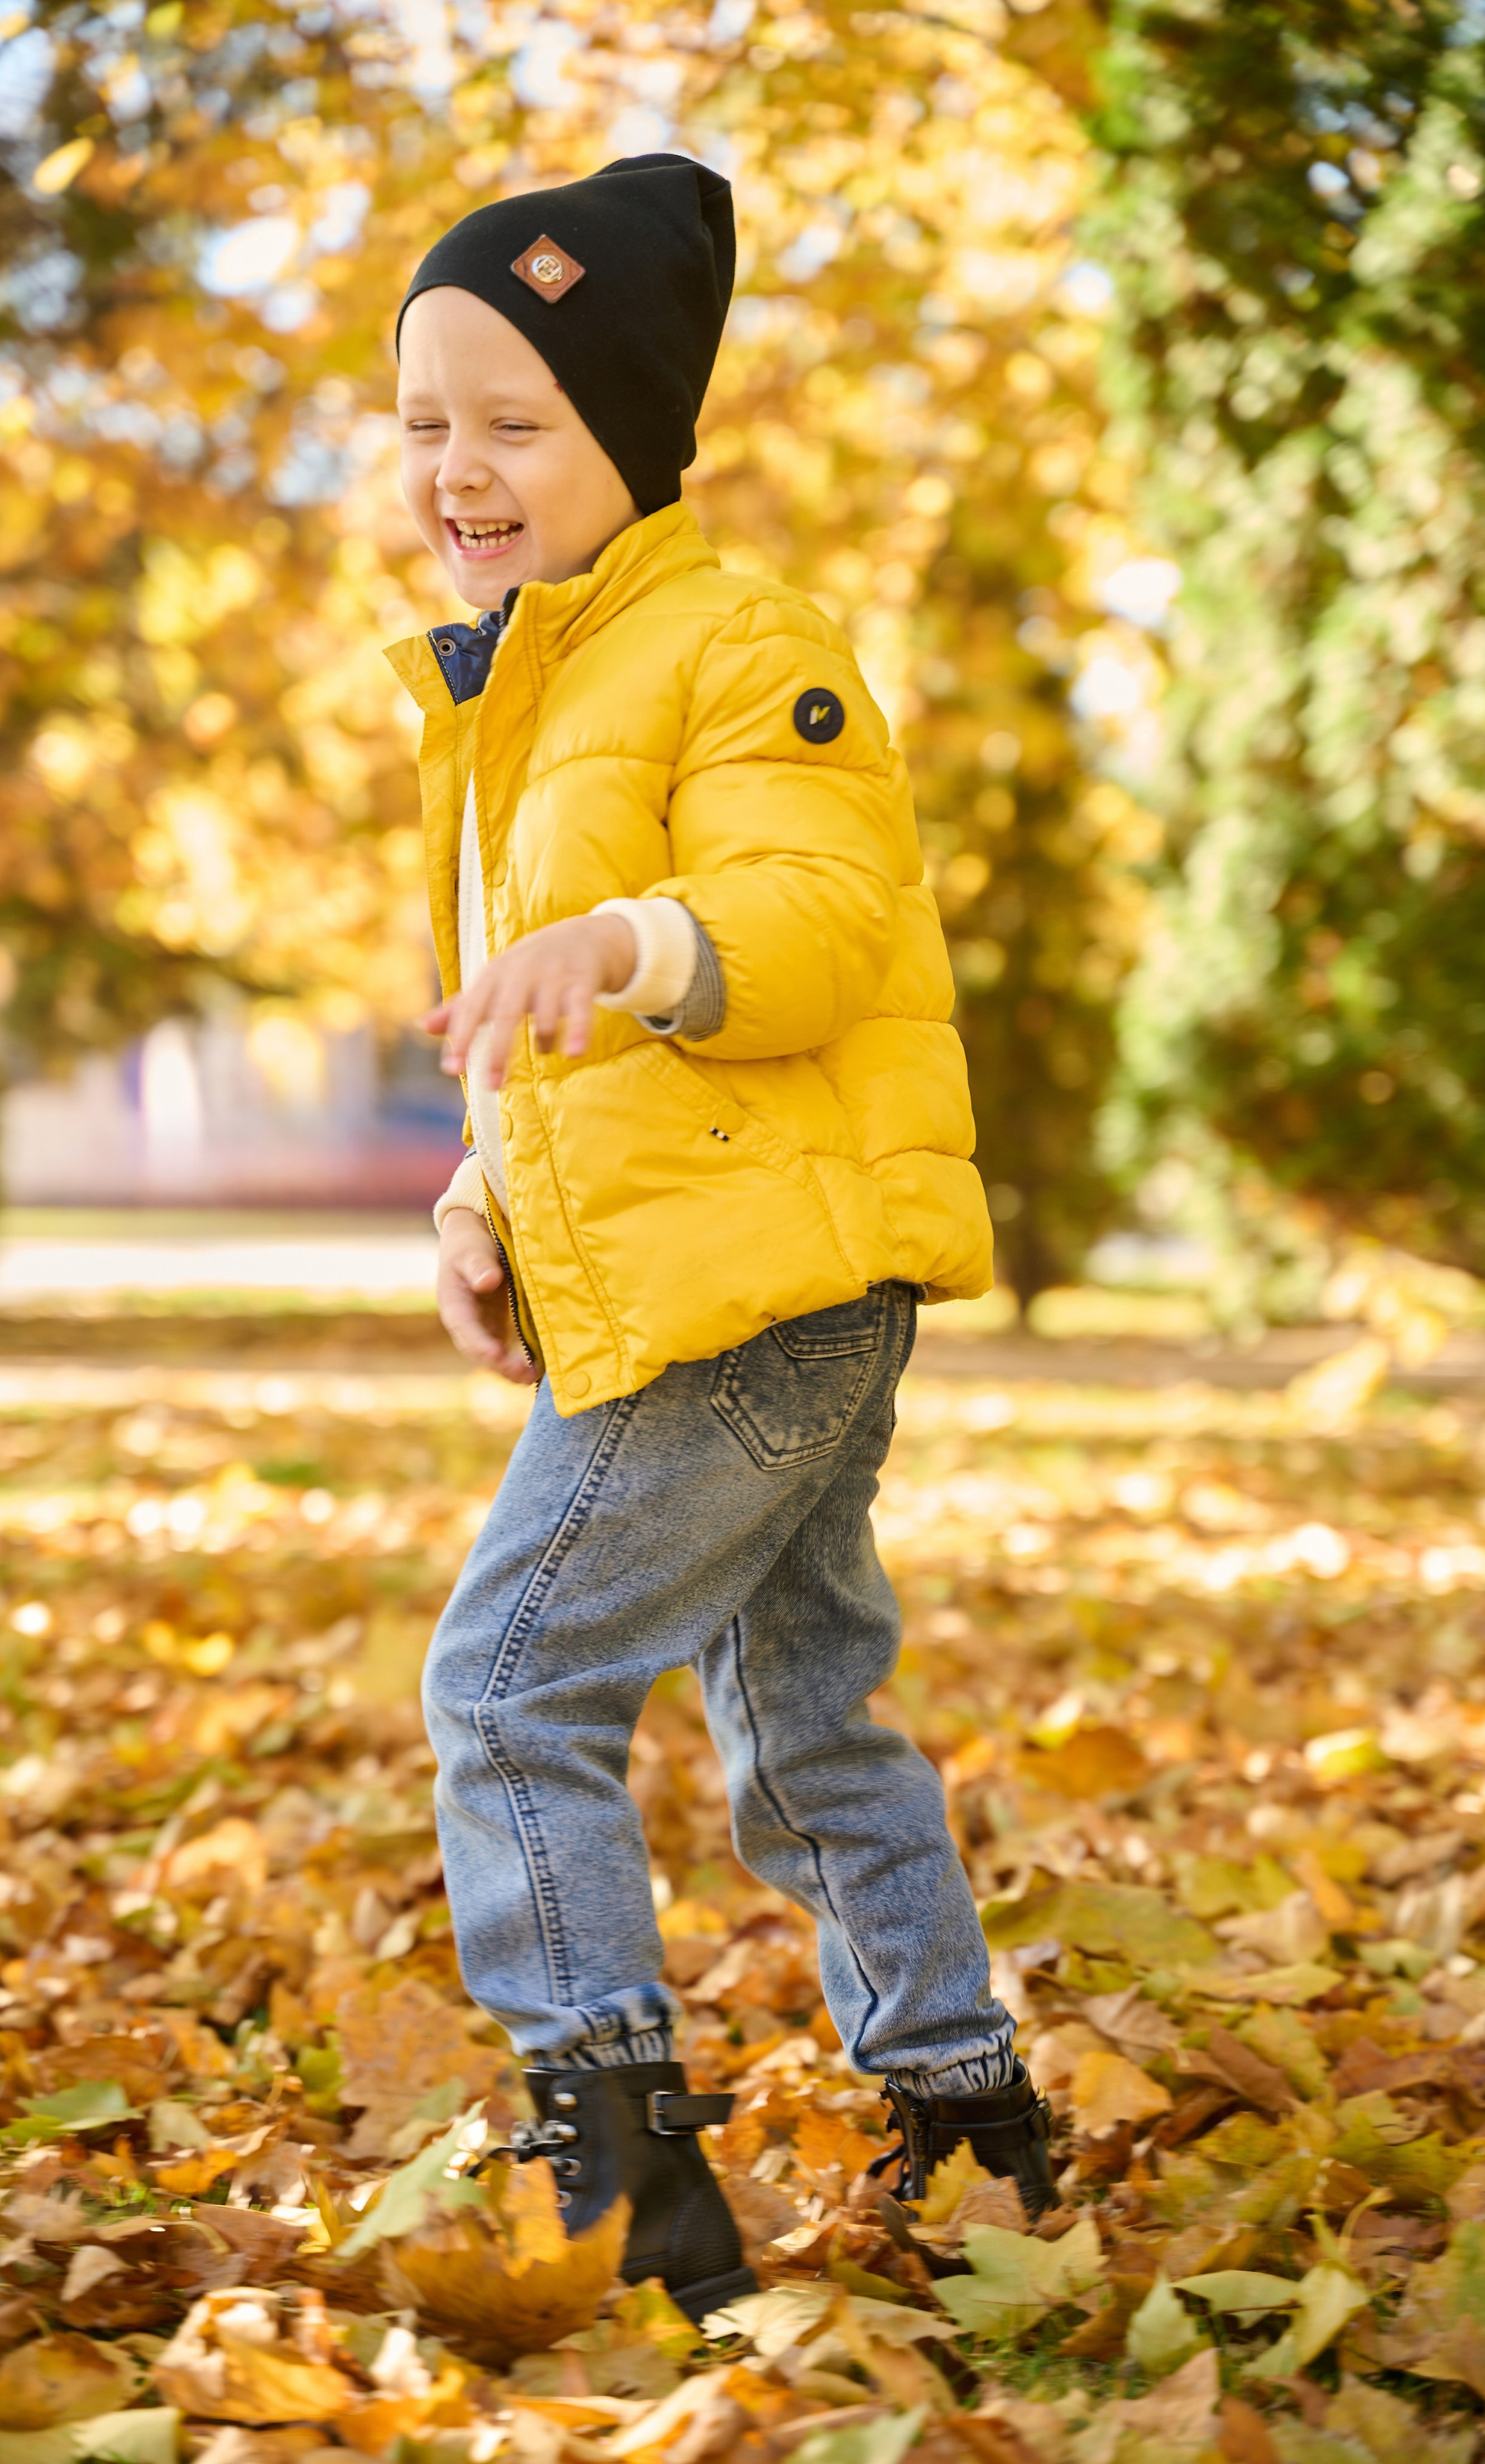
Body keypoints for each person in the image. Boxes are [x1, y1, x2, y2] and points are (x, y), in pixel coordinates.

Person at [386, 153, 1054, 2323]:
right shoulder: (505, 696)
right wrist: (480, 1194)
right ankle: (969, 2125)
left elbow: (816, 925)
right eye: (425, 421)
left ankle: (619, 2167)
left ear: (632, 435)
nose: (460, 469)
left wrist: (635, 937)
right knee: (805, 1716)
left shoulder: (740, 642)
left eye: (518, 420)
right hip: (698, 1280)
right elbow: (535, 1039)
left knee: (507, 1679)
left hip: (760, 1299)